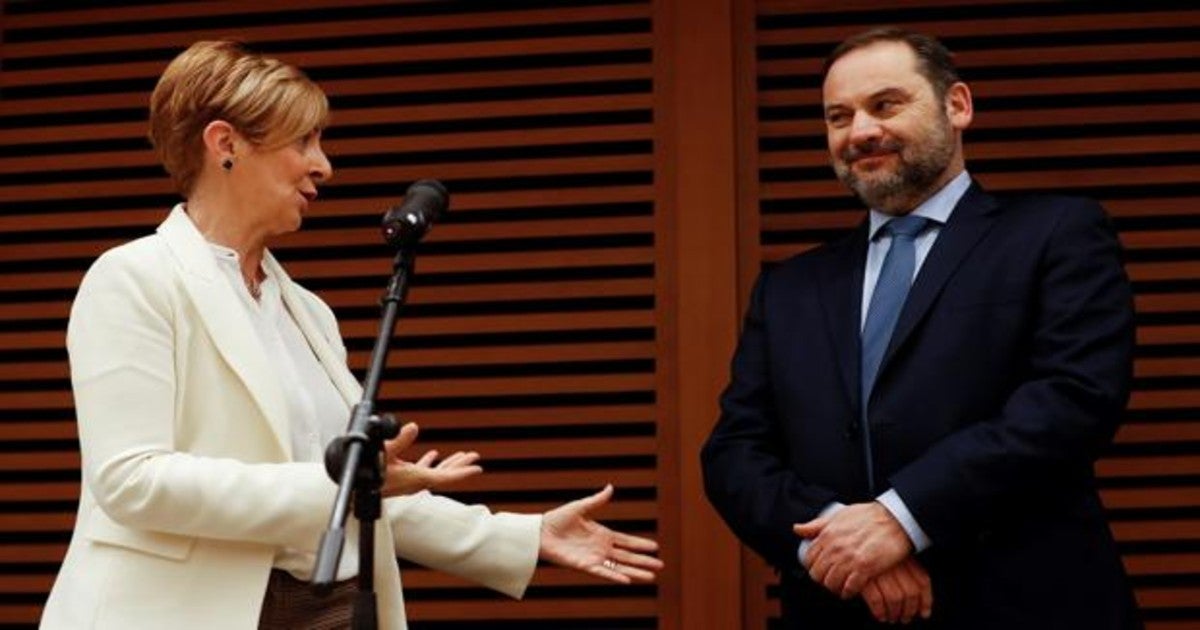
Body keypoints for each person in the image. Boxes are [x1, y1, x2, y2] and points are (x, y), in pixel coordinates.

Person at [40, 40, 663, 630]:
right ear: (225, 144)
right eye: (303, 141)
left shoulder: (307, 311)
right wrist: (337, 482)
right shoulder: (133, 279)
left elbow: (358, 490)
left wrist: (520, 535)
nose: (324, 166)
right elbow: (131, 480)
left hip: (331, 608)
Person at [701, 26, 1140, 629]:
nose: (860, 132)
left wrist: (902, 517)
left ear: (957, 105)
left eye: (885, 105)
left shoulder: (1058, 233)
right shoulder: (789, 288)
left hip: (1026, 605)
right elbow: (733, 454)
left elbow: (1073, 399)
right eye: (838, 116)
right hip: (841, 612)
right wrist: (835, 543)